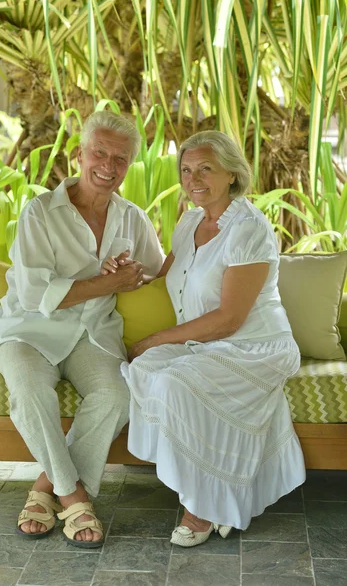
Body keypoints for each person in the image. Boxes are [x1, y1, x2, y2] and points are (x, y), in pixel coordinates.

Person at [102, 130, 306, 547]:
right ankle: (219, 493)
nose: (193, 178)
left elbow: (229, 319)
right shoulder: (190, 220)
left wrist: (155, 338)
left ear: (232, 173)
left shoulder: (249, 229)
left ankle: (202, 506)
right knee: (144, 370)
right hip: (202, 343)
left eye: (206, 169)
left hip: (254, 346)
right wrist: (123, 272)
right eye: (187, 170)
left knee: (176, 382)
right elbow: (166, 279)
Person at [0, 111, 164, 548]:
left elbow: (156, 276)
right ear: (79, 153)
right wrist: (107, 282)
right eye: (99, 152)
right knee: (30, 393)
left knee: (117, 393)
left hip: (92, 334)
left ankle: (45, 491)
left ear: (129, 165)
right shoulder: (40, 212)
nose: (108, 165)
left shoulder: (133, 219)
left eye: (120, 158)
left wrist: (133, 273)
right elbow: (34, 295)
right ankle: (74, 495)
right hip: (27, 331)